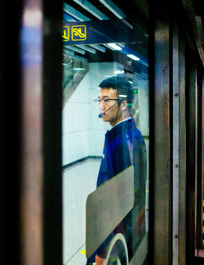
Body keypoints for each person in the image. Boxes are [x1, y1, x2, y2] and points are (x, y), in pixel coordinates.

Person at [87, 75, 147, 265]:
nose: (101, 106)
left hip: (116, 240)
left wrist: (104, 249)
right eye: (99, 100)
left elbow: (124, 199)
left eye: (106, 100)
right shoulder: (122, 135)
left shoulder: (123, 141)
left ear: (122, 104)